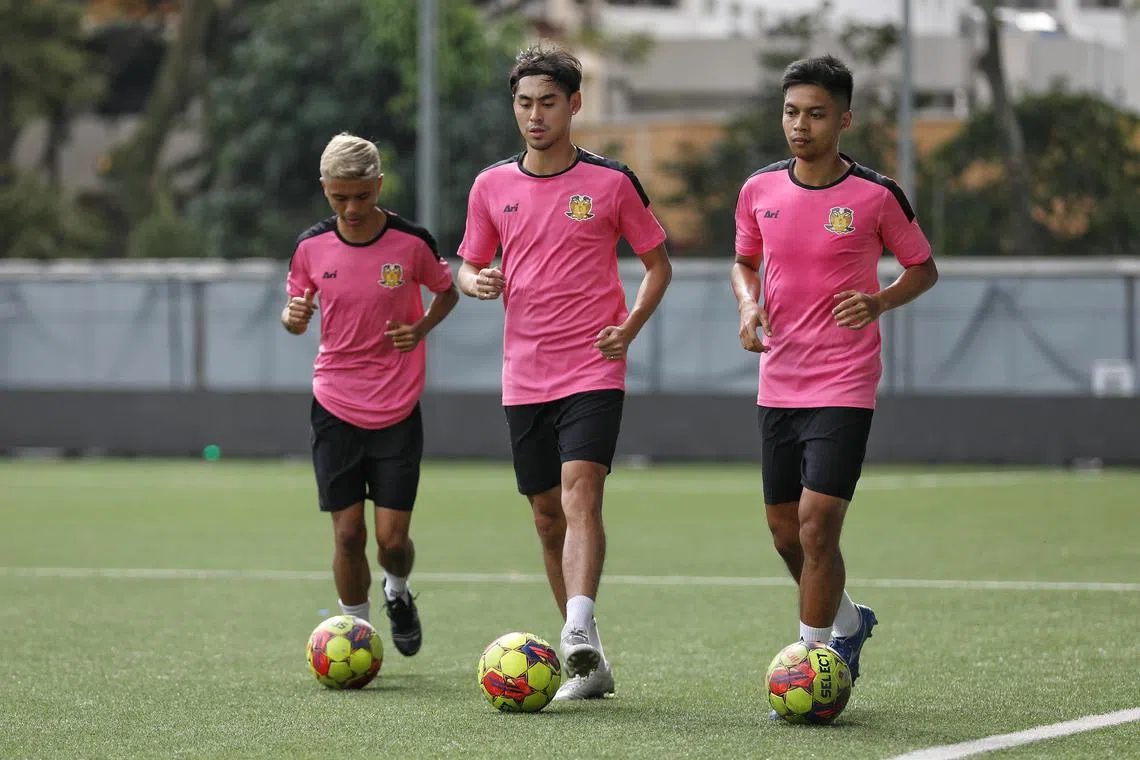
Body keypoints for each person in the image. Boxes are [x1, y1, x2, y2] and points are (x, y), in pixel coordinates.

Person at [456, 43, 672, 700]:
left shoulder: (611, 182)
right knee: (547, 517)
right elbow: (465, 265)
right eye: (524, 103)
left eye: (548, 102)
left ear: (574, 104)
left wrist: (630, 327)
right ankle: (593, 659)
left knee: (581, 492)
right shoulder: (491, 185)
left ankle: (575, 627)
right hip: (524, 375)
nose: (535, 115)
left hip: (593, 367)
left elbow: (659, 265)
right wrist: (476, 279)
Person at [730, 55, 938, 698]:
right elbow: (742, 261)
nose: (800, 125)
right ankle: (850, 621)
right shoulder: (758, 189)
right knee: (785, 533)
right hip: (779, 380)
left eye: (816, 114)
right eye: (792, 112)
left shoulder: (875, 196)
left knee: (819, 523)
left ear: (843, 119)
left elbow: (922, 269)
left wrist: (879, 301)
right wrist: (747, 302)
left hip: (844, 381)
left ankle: (813, 660)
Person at [283, 132, 459, 658]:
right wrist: (292, 317)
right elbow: (295, 308)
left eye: (362, 195)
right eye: (340, 197)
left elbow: (446, 290)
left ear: (379, 185)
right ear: (325, 191)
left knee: (390, 541)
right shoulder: (311, 247)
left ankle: (398, 592)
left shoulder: (411, 242)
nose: (352, 207)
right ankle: (356, 636)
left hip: (397, 409)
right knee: (346, 535)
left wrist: (422, 327)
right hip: (334, 405)